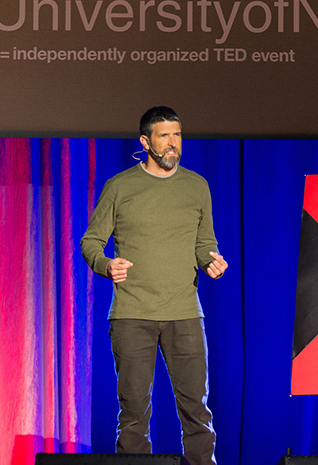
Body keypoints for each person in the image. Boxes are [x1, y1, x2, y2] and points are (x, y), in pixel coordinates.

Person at [81, 106, 228, 465]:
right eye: (164, 136)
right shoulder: (121, 187)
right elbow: (91, 241)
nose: (173, 144)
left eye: (177, 135)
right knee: (133, 415)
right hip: (133, 315)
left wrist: (212, 261)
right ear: (146, 141)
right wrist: (106, 264)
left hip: (184, 313)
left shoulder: (196, 186)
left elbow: (203, 243)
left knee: (197, 410)